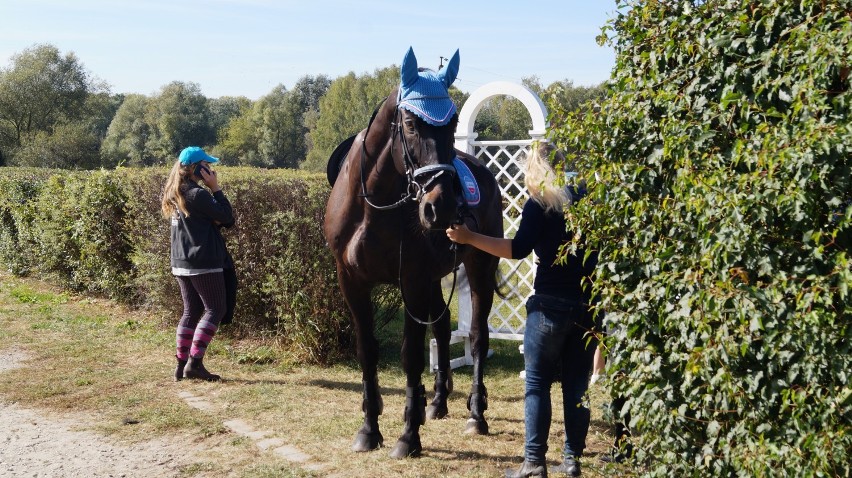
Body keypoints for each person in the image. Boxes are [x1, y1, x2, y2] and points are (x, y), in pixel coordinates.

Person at [446, 142, 597, 478]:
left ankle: (533, 463)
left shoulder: (539, 203)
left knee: (537, 385)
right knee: (577, 387)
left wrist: (470, 238)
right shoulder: (587, 199)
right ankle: (572, 461)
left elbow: (517, 249)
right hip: (587, 307)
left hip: (548, 308)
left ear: (532, 170)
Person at [161, 146, 235, 382]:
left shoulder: (175, 193)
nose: (211, 169)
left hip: (181, 262)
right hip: (203, 261)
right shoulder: (198, 195)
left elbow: (214, 219)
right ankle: (194, 363)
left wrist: (213, 215)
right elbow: (227, 217)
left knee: (191, 311)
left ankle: (181, 365)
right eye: (207, 164)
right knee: (216, 309)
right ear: (196, 167)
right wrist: (216, 188)